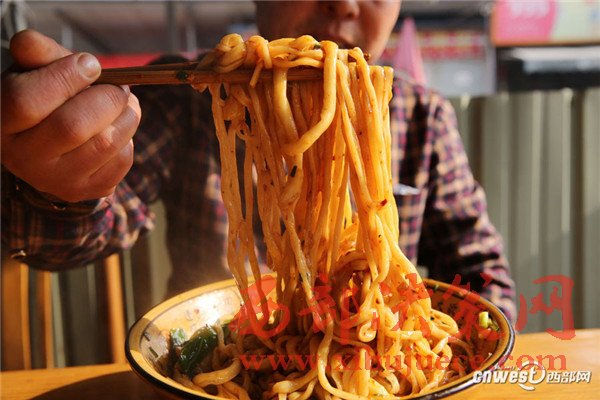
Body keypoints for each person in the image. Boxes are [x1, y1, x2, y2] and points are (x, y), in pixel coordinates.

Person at [1, 1, 516, 321]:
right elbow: (81, 231)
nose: (342, 4)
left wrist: (449, 341)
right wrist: (56, 188)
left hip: (369, 361)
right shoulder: (192, 97)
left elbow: (483, 275)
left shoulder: (423, 118)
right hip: (229, 352)